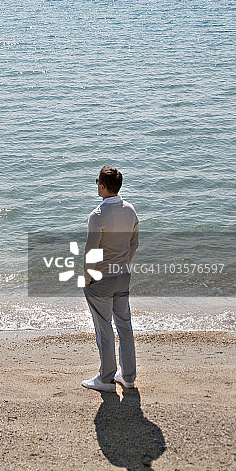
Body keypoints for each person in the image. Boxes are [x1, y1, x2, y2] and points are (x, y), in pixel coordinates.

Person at [82, 166, 139, 392]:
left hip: (102, 280)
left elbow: (91, 252)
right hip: (122, 275)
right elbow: (134, 244)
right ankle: (128, 376)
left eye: (98, 182)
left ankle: (105, 379)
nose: (97, 185)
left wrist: (88, 280)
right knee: (124, 326)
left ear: (103, 187)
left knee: (104, 328)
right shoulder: (131, 211)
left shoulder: (97, 216)